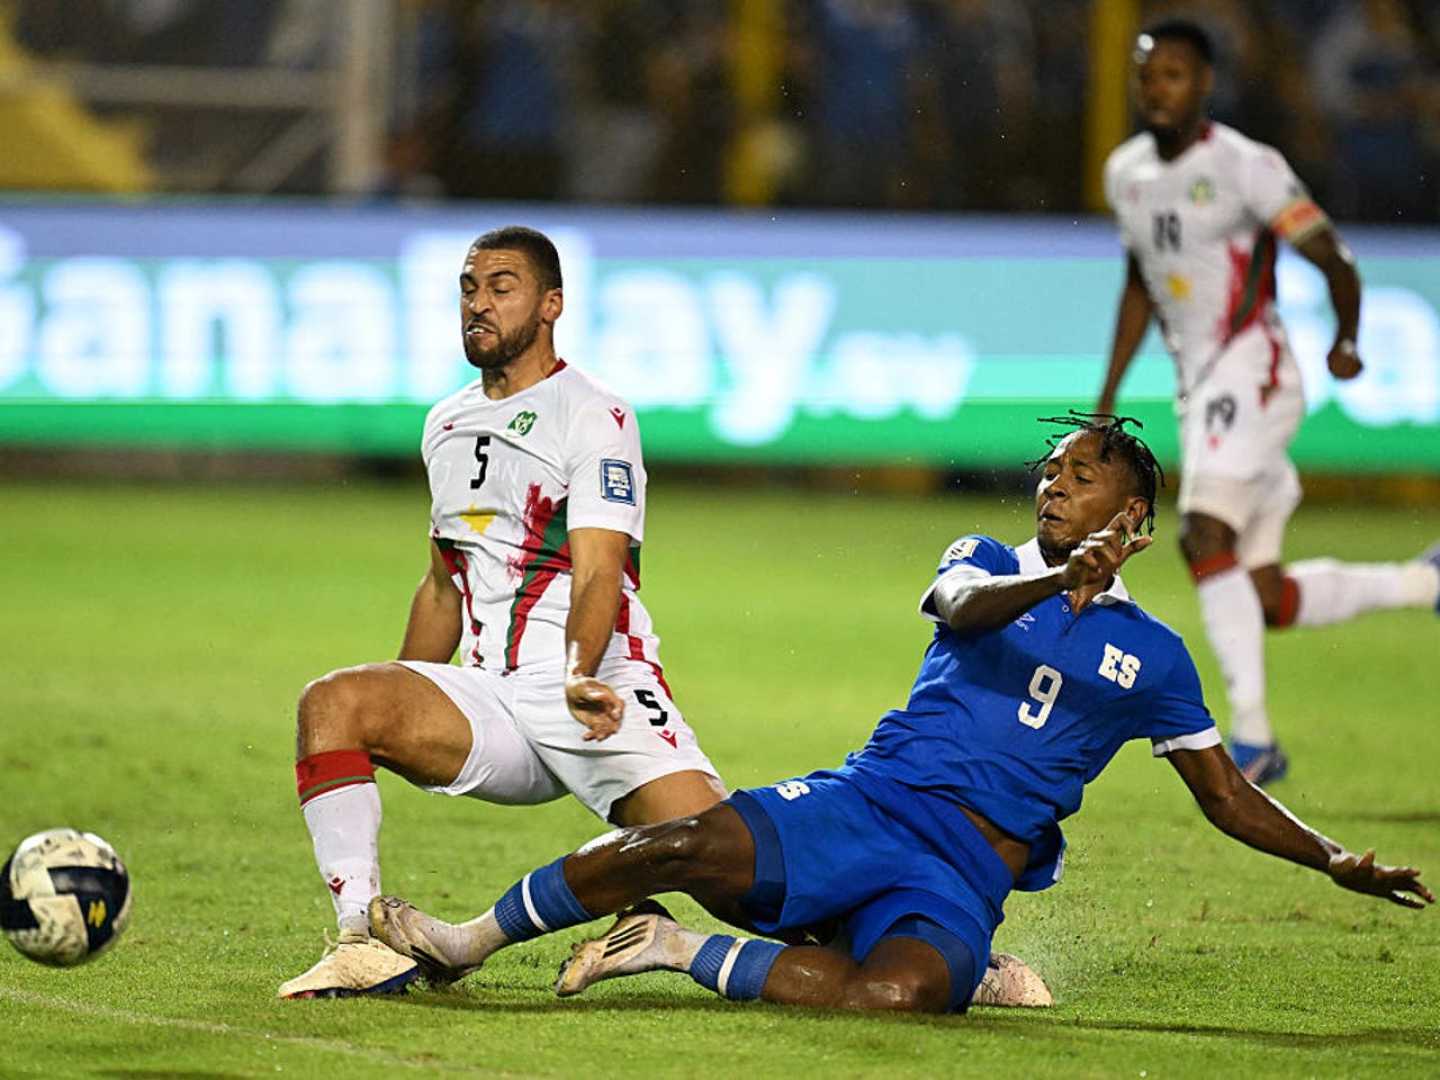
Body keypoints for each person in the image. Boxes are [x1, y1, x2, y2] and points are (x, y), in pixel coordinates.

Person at [365, 415, 1432, 1015]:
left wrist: (1332, 858)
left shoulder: (1155, 657)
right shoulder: (987, 558)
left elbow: (1225, 792)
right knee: (686, 842)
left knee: (898, 999)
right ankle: (466, 940)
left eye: (1080, 476)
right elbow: (960, 607)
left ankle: (671, 949)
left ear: (1134, 514)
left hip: (961, 871)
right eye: (1050, 471)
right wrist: (1056, 577)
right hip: (873, 802)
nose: (1054, 486)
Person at [278, 225, 726, 999]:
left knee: (726, 858)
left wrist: (580, 674)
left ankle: (886, 944)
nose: (478, 304)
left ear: (551, 305)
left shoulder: (594, 414)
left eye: (501, 287)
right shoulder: (446, 424)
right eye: (469, 288)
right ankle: (360, 941)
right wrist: (404, 692)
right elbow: (442, 584)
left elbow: (599, 570)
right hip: (492, 695)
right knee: (334, 703)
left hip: (593, 684)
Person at [1096, 19, 1440, 784]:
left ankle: (1251, 739)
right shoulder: (1126, 173)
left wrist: (1346, 338)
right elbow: (1139, 284)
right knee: (1259, 595)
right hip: (1200, 385)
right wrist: (1108, 392)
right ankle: (1426, 583)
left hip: (1253, 367)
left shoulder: (1246, 167)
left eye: (1173, 74)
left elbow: (1333, 256)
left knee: (1201, 534)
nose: (1156, 88)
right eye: (1146, 74)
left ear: (1205, 83)